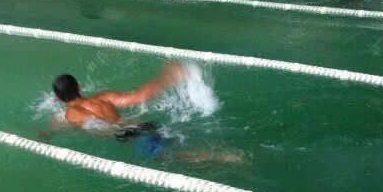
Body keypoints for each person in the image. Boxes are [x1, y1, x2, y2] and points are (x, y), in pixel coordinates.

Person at [44, 63, 242, 163]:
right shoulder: (105, 96)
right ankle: (220, 152)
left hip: (130, 135)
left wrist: (45, 134)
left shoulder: (68, 116)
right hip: (143, 124)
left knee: (175, 156)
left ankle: (221, 157)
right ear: (79, 87)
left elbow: (55, 127)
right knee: (177, 138)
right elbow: (141, 96)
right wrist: (169, 75)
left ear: (58, 98)